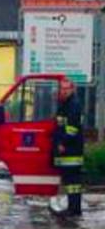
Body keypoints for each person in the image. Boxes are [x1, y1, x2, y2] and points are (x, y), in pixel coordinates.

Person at [52, 79, 84, 217]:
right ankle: (74, 208)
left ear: (72, 89)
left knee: (72, 181)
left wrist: (62, 143)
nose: (64, 91)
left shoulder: (73, 105)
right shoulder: (65, 104)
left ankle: (74, 209)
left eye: (67, 89)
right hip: (69, 149)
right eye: (62, 88)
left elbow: (71, 129)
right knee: (71, 181)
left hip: (71, 149)